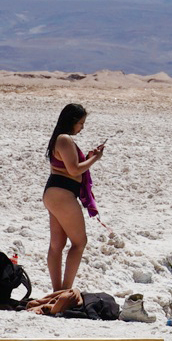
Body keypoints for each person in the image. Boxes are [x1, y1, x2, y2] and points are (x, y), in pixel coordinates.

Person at [42, 102, 105, 292]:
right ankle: (65, 291)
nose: (82, 127)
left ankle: (57, 292)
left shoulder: (58, 139)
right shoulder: (64, 139)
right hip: (63, 194)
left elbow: (70, 166)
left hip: (54, 193)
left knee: (57, 244)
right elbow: (74, 169)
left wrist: (88, 156)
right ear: (72, 121)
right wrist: (95, 159)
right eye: (81, 123)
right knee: (79, 242)